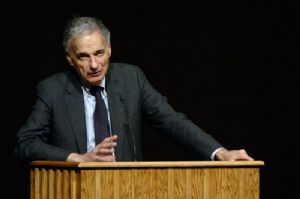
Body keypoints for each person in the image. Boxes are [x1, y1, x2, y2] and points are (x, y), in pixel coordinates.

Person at [15, 16, 253, 163]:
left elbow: (171, 121)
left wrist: (219, 152)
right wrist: (77, 158)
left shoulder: (131, 79)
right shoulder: (52, 90)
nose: (94, 65)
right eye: (83, 57)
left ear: (109, 49)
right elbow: (25, 143)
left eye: (99, 53)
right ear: (70, 60)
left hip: (127, 187)